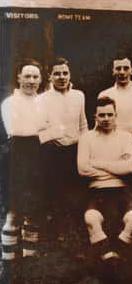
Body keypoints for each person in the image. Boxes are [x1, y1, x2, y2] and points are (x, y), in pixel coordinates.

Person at [78, 97, 132, 265]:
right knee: (91, 218)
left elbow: (129, 168)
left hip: (121, 190)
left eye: (109, 115)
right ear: (95, 117)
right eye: (102, 115)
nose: (106, 119)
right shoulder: (87, 138)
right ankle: (108, 257)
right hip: (96, 190)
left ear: (116, 115)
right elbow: (83, 169)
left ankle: (118, 251)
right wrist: (116, 169)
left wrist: (97, 164)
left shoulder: (126, 137)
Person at [1, 60, 46, 268]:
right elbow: (16, 129)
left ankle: (29, 260)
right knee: (14, 209)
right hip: (17, 159)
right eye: (27, 76)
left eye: (35, 76)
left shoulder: (43, 102)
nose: (31, 81)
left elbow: (49, 126)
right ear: (18, 78)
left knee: (34, 208)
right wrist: (43, 129)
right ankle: (9, 262)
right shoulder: (10, 102)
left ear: (41, 79)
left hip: (39, 159)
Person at [39, 57, 89, 243]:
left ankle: (76, 229)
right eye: (57, 73)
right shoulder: (42, 99)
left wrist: (86, 146)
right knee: (55, 192)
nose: (61, 77)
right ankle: (56, 233)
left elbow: (83, 124)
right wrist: (53, 139)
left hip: (76, 149)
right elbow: (39, 129)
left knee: (76, 191)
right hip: (53, 152)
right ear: (50, 76)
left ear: (70, 74)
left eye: (65, 73)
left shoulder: (79, 95)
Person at [98, 57, 132, 137]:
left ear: (131, 71)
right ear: (113, 71)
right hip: (112, 141)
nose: (122, 72)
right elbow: (100, 125)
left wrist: (113, 126)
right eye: (118, 68)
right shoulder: (104, 94)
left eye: (126, 68)